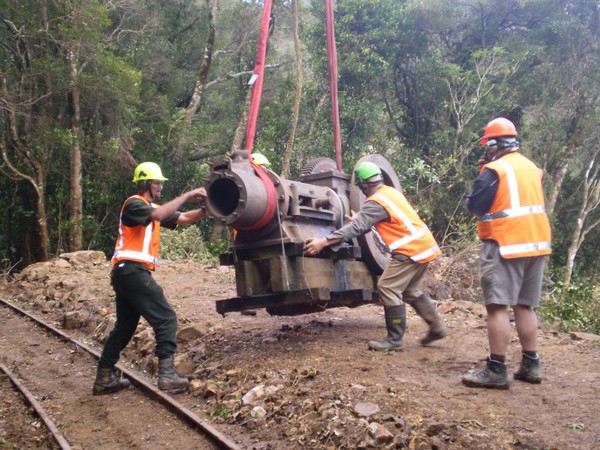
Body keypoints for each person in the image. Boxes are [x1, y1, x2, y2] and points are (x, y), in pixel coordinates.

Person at [303, 161, 448, 351]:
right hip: (425, 246)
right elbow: (385, 220)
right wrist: (361, 219)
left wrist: (324, 241)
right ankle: (437, 328)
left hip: (409, 250)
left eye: (360, 186)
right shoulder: (389, 193)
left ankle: (394, 340)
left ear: (364, 185)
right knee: (409, 290)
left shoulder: (375, 202)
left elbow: (356, 228)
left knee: (387, 287)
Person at [93, 162, 206, 395]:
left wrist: (208, 209)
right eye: (157, 183)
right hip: (132, 272)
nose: (160, 187)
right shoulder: (135, 204)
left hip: (127, 273)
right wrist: (187, 194)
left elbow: (183, 217)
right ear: (144, 183)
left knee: (125, 326)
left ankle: (104, 377)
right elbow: (159, 213)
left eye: (161, 183)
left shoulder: (150, 208)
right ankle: (167, 376)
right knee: (166, 318)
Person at [462, 117, 552, 390]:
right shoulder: (532, 168)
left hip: (505, 242)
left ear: (493, 143)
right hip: (536, 244)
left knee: (497, 307)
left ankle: (497, 369)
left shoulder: (494, 170)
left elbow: (476, 207)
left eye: (487, 145)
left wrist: (482, 174)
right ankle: (530, 364)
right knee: (524, 305)